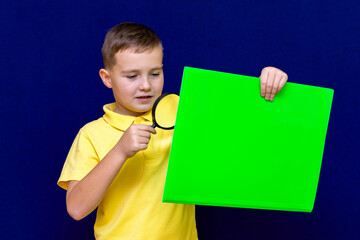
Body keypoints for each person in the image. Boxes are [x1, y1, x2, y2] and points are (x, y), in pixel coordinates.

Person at [57, 22, 288, 240]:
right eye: (132, 76)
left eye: (155, 73)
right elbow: (77, 208)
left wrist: (266, 85)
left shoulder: (181, 109)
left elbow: (243, 134)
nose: (146, 85)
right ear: (107, 78)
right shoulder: (91, 134)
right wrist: (120, 151)